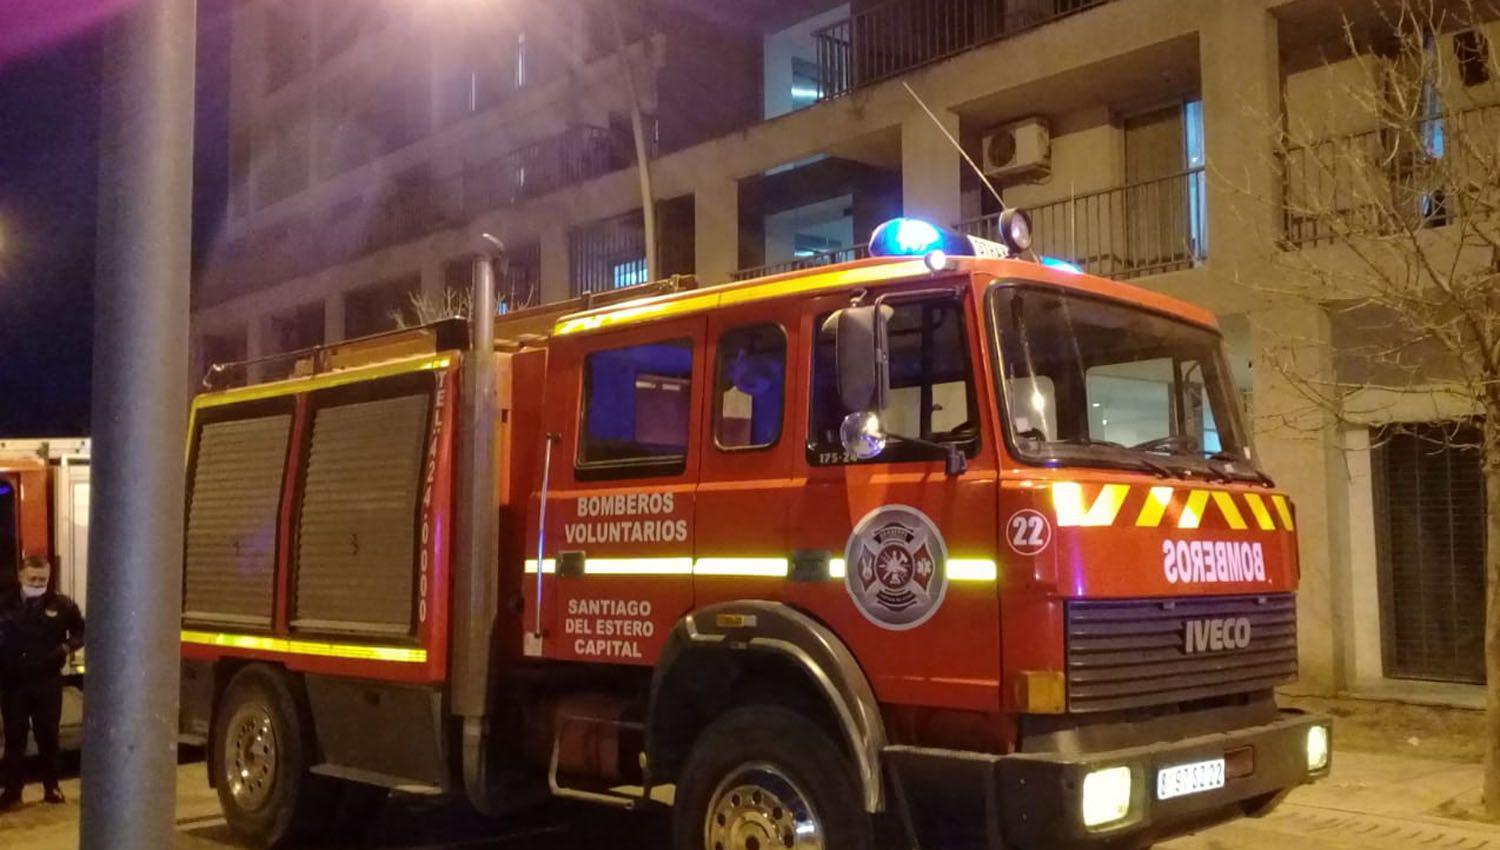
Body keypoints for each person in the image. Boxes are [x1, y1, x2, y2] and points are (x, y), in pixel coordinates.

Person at [0, 555, 83, 808]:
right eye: (32, 578)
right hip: (14, 682)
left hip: (46, 681)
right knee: (15, 738)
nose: (37, 583)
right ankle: (12, 792)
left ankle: (52, 787)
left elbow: (82, 631)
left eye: (42, 579)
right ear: (21, 576)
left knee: (48, 736)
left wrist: (65, 648)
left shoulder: (62, 604)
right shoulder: (6, 603)